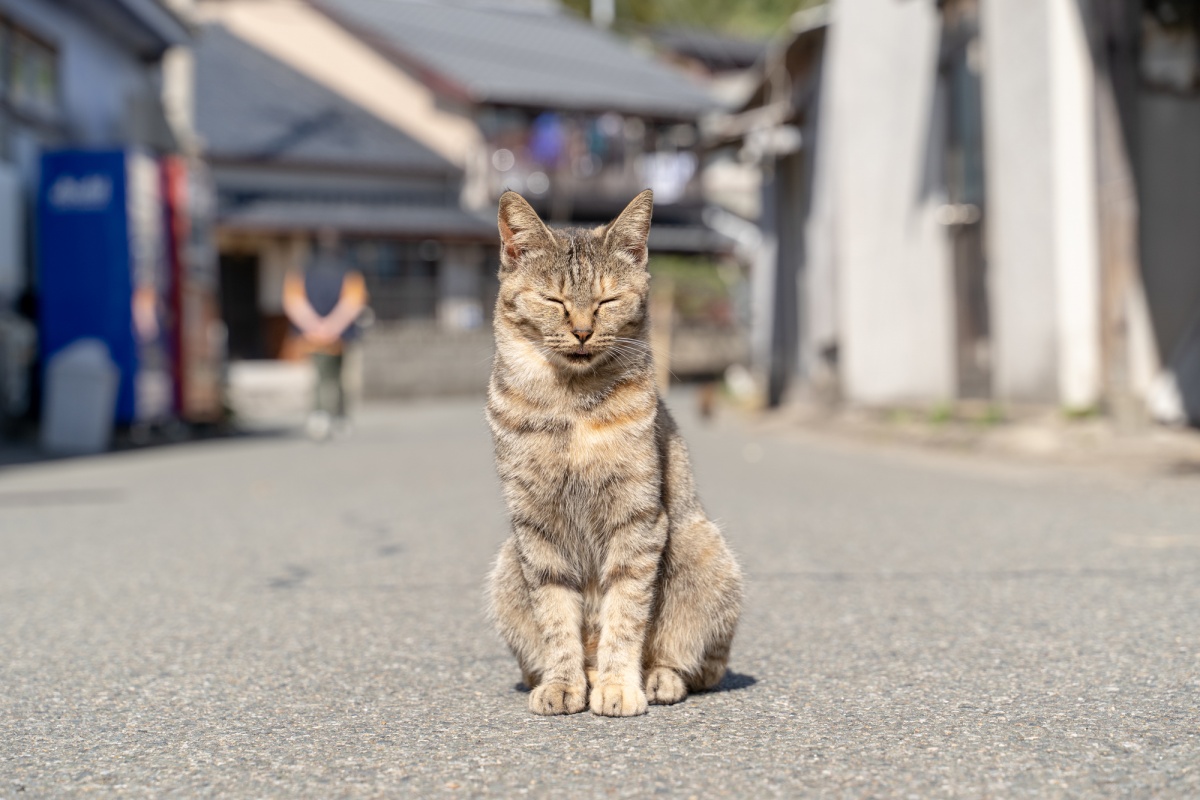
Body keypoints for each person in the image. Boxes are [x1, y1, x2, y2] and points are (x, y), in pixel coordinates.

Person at [282, 230, 368, 439]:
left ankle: (321, 416)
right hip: (341, 335)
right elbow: (353, 303)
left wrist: (315, 325)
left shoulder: (303, 271)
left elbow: (294, 302)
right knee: (338, 377)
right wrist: (332, 326)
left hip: (314, 335)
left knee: (321, 377)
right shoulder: (349, 271)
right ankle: (338, 417)